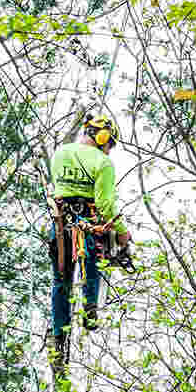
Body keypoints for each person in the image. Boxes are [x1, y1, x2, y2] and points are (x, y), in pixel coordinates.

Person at [49, 115, 131, 336]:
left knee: (60, 278)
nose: (109, 150)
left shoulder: (60, 153)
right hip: (87, 221)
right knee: (94, 264)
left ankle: (59, 331)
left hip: (60, 222)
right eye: (110, 144)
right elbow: (105, 204)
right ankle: (90, 310)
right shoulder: (103, 162)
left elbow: (56, 185)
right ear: (104, 139)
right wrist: (122, 232)